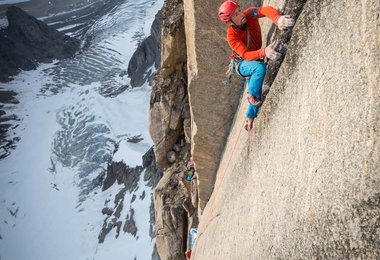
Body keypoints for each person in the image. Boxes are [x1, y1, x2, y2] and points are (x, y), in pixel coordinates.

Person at [218, 0, 295, 131]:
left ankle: (249, 117)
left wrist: (278, 19)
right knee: (259, 70)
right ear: (230, 22)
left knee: (257, 90)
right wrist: (264, 52)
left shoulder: (249, 14)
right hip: (241, 64)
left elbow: (264, 10)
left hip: (253, 59)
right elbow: (246, 55)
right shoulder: (231, 36)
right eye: (235, 15)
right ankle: (251, 95)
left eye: (238, 11)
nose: (241, 15)